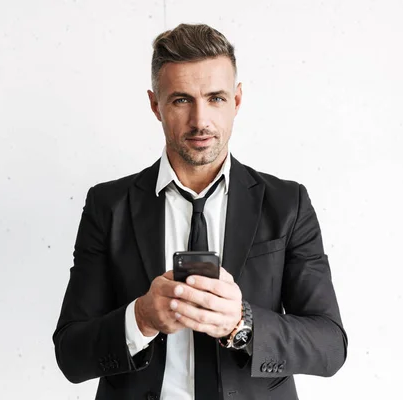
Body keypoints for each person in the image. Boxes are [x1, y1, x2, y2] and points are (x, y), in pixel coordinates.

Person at [53, 23, 347, 400]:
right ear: (155, 104)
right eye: (181, 100)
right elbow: (70, 353)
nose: (200, 121)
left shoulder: (287, 204)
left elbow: (330, 346)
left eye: (216, 98)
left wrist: (243, 324)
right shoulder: (108, 206)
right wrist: (140, 318)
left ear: (237, 101)